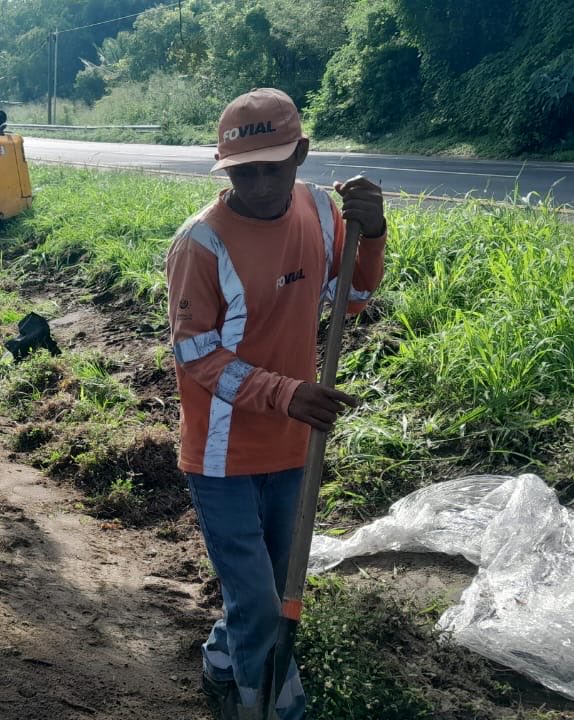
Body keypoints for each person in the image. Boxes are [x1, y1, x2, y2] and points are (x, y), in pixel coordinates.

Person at [165, 88, 388, 720]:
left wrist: (372, 234)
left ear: (302, 154)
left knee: (269, 588)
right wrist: (286, 393)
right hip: (222, 454)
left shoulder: (319, 211)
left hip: (294, 444)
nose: (260, 185)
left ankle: (221, 659)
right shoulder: (201, 245)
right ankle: (267, 708)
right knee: (262, 601)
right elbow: (196, 355)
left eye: (274, 167)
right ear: (223, 168)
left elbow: (351, 299)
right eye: (244, 172)